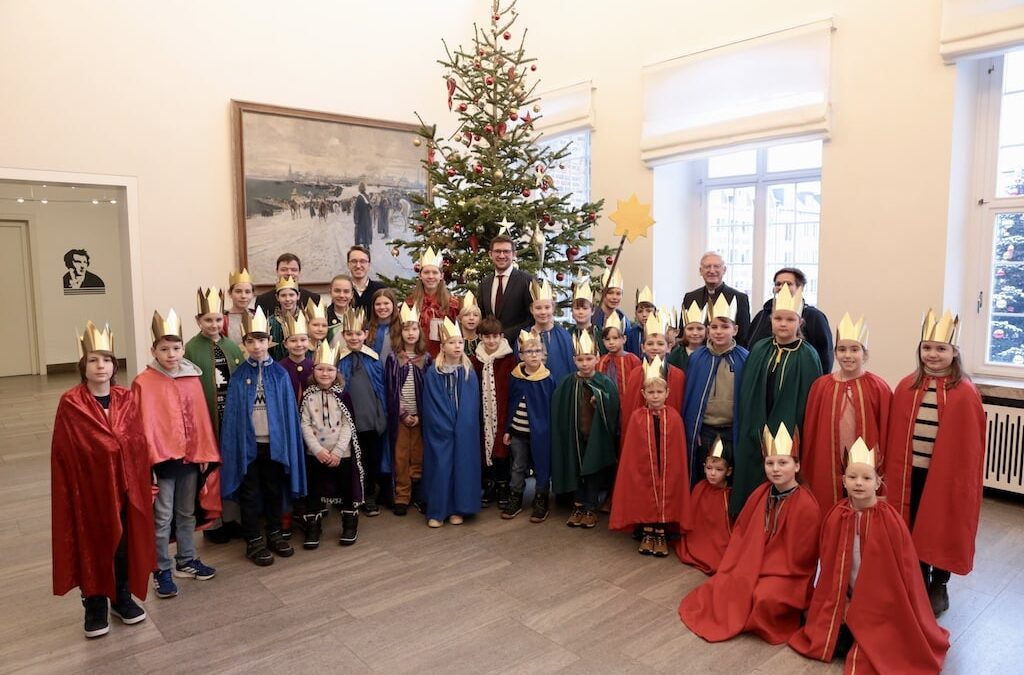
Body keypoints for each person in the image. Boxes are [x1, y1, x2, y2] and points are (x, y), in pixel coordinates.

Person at [788, 438, 950, 673]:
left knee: (879, 647)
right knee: (832, 643)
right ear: (843, 481)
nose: (859, 483)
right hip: (847, 598)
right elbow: (831, 570)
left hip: (883, 605)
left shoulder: (890, 521)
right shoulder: (837, 516)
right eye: (852, 477)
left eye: (866, 478)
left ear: (878, 483)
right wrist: (843, 603)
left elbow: (898, 578)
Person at [52, 323, 153, 638]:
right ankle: (94, 600)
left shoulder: (126, 399)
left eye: (106, 360)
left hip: (126, 487)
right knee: (94, 543)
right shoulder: (71, 403)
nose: (101, 366)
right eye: (94, 360)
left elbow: (138, 442)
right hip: (89, 491)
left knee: (123, 543)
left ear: (114, 366)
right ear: (83, 365)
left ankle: (119, 595)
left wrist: (144, 480)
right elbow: (64, 452)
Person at [882, 309, 985, 616]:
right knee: (912, 524)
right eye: (927, 347)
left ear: (955, 352)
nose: (933, 354)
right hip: (909, 472)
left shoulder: (964, 392)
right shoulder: (906, 387)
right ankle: (917, 576)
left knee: (941, 525)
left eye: (941, 348)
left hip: (946, 476)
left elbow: (970, 445)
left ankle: (939, 582)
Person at [679, 423, 821, 645]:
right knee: (727, 586)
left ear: (796, 465)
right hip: (752, 562)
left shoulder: (806, 505)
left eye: (783, 463)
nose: (775, 469)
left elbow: (801, 560)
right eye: (770, 463)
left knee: (764, 598)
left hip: (786, 573)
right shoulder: (760, 494)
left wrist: (762, 569)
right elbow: (742, 534)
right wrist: (747, 565)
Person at [133, 309, 221, 598]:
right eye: (164, 349)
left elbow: (200, 418)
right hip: (162, 461)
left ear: (183, 348)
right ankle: (161, 569)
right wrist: (149, 462)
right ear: (153, 350)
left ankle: (186, 560)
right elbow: (143, 423)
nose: (171, 354)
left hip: (190, 459)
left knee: (186, 512)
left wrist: (204, 450)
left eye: (176, 347)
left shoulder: (191, 378)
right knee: (162, 517)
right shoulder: (144, 383)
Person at [219, 308, 307, 566]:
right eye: (251, 341)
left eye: (261, 340)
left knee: (273, 489)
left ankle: (275, 532)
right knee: (250, 493)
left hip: (274, 444)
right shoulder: (239, 377)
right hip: (248, 446)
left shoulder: (280, 374)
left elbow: (288, 414)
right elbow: (234, 417)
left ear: (270, 341)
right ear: (244, 344)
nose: (257, 346)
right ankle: (253, 539)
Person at [731, 284, 821, 516]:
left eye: (789, 319)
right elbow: (747, 392)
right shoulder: (760, 349)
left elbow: (809, 401)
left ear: (799, 322)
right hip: (755, 426)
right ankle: (749, 525)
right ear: (770, 320)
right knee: (752, 476)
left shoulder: (808, 355)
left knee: (783, 477)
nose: (783, 324)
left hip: (789, 430)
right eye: (778, 318)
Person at [801, 314, 892, 510]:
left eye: (854, 349)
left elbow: (886, 428)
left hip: (864, 461)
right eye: (842, 349)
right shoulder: (821, 386)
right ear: (835, 353)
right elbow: (811, 429)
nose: (848, 355)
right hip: (828, 457)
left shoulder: (878, 387)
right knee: (828, 500)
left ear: (865, 354)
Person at [609, 356, 689, 557]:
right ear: (643, 393)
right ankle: (647, 531)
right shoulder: (637, 417)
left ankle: (660, 532)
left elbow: (678, 450)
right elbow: (632, 453)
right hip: (645, 466)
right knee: (644, 490)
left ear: (667, 393)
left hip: (666, 465)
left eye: (659, 392)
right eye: (651, 392)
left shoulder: (674, 417)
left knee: (666, 490)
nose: (655, 396)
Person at [551, 330, 620, 529]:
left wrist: (599, 399)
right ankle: (578, 505)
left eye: (589, 358)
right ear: (574, 360)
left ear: (597, 358)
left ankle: (591, 506)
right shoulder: (567, 383)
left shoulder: (605, 382)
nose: (585, 363)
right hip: (575, 435)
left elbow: (613, 405)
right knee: (576, 468)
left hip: (595, 436)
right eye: (580, 359)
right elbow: (559, 408)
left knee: (593, 471)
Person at [299, 341, 364, 548]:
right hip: (315, 453)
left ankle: (349, 524)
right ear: (314, 370)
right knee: (314, 489)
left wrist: (337, 452)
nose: (325, 374)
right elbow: (305, 425)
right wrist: (317, 450)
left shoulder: (342, 395)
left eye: (329, 369)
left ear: (336, 371)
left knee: (346, 488)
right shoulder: (308, 396)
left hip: (341, 453)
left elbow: (348, 425)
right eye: (320, 369)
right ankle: (313, 527)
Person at [681, 295, 748, 488]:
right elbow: (691, 397)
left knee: (730, 474)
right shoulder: (698, 357)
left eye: (725, 327)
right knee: (705, 474)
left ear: (735, 330)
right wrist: (695, 428)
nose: (719, 332)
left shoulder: (744, 358)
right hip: (706, 429)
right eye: (714, 327)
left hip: (732, 428)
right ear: (708, 329)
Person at [421, 317, 482, 527]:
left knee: (462, 465)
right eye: (452, 342)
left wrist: (462, 426)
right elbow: (432, 403)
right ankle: (438, 510)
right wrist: (445, 425)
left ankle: (459, 508)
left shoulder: (468, 371)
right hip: (441, 428)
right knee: (441, 465)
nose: (457, 346)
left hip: (463, 429)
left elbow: (472, 404)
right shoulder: (433, 372)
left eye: (460, 342)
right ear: (442, 346)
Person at [337, 309, 389, 516]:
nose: (354, 337)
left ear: (366, 334)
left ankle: (369, 495)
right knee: (349, 461)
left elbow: (381, 390)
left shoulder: (374, 358)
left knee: (369, 460)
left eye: (358, 333)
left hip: (371, 421)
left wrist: (381, 418)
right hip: (348, 421)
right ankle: (350, 496)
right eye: (349, 333)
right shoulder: (339, 360)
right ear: (343, 335)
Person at [502, 330, 556, 522]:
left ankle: (541, 498)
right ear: (521, 355)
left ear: (543, 354)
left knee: (542, 465)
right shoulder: (516, 376)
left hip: (540, 433)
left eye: (537, 351)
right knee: (517, 465)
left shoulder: (548, 379)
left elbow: (550, 409)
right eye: (529, 351)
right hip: (517, 432)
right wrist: (508, 429)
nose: (533, 355)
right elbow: (511, 403)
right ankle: (515, 496)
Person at [384, 303, 431, 516]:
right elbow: (392, 389)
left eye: (414, 329)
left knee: (419, 455)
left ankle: (420, 494)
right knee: (401, 455)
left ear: (420, 331)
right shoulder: (394, 359)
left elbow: (430, 391)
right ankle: (402, 495)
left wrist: (419, 415)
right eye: (406, 329)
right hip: (401, 418)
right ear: (399, 332)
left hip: (421, 417)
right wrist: (404, 414)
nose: (410, 333)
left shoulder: (427, 359)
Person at [748, 267, 833, 371]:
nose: (781, 287)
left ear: (800, 287)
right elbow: (750, 345)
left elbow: (825, 354)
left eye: (788, 284)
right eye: (778, 284)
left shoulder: (814, 316)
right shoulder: (763, 315)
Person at [620, 311, 686, 442]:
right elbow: (629, 409)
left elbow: (680, 407)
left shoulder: (678, 375)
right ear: (643, 348)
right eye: (650, 344)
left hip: (669, 434)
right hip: (640, 435)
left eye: (660, 344)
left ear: (669, 347)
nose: (655, 348)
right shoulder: (635, 374)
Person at [472, 316, 516, 509]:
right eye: (487, 337)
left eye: (495, 337)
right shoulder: (475, 360)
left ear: (502, 336)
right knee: (485, 446)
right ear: (480, 337)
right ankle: (489, 484)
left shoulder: (509, 359)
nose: (491, 341)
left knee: (502, 448)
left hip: (502, 410)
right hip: (483, 411)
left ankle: (503, 486)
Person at [676, 438, 733, 574]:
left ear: (728, 471)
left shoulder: (729, 494)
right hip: (699, 539)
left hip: (719, 542)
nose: (712, 473)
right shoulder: (700, 488)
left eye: (719, 469)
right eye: (709, 468)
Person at [682, 252, 751, 346]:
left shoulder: (739, 298)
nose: (712, 270)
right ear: (701, 271)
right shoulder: (690, 297)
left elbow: (744, 335)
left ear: (724, 270)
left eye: (716, 266)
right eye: (707, 267)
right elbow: (683, 333)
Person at [514, 279, 575, 385]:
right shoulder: (523, 336)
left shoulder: (564, 336)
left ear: (553, 308)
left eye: (547, 307)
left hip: (558, 390)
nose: (543, 312)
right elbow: (519, 366)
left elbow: (569, 366)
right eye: (538, 308)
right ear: (532, 310)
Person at [478, 235, 535, 344]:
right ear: (490, 254)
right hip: (490, 346)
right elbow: (482, 315)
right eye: (497, 251)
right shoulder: (485, 283)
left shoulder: (527, 281)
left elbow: (531, 318)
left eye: (506, 251)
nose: (502, 255)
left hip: (517, 345)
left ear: (514, 254)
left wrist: (505, 336)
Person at [408, 247, 461, 357]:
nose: (431, 276)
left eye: (434, 273)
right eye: (426, 272)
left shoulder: (453, 304)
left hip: (444, 357)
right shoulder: (410, 303)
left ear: (441, 276)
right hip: (417, 356)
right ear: (420, 276)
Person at [254, 253, 320, 317]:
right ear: (277, 271)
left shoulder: (314, 299)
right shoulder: (262, 301)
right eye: (284, 270)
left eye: (293, 270)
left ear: (299, 272)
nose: (289, 273)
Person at [597, 312, 641, 401]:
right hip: (608, 406)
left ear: (624, 339)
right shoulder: (601, 362)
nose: (611, 342)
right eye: (607, 339)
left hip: (628, 403)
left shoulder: (633, 360)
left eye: (615, 338)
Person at [268, 276, 302, 361]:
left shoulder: (306, 319)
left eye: (291, 295)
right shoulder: (270, 322)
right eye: (283, 295)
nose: (288, 299)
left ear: (298, 296)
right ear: (277, 297)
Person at [667, 301, 707, 371]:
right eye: (690, 329)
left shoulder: (710, 353)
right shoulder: (676, 354)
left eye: (699, 329)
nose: (695, 333)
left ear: (706, 331)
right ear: (684, 331)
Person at [346, 245, 387, 315]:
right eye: (354, 261)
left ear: (369, 264)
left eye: (363, 261)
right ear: (348, 265)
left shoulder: (381, 290)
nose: (358, 266)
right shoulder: (343, 291)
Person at [592, 266, 632, 335]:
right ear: (602, 293)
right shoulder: (593, 316)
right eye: (610, 293)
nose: (614, 297)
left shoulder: (623, 319)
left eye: (618, 294)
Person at [568, 279, 602, 355]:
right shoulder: (568, 334)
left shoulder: (600, 334)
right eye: (577, 308)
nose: (580, 312)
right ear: (572, 312)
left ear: (592, 311)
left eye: (585, 308)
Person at [224, 268, 255, 345]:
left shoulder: (256, 316)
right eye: (238, 291)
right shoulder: (222, 318)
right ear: (230, 293)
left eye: (247, 292)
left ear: (252, 294)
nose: (243, 296)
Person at [366, 288, 398, 361]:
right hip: (373, 371)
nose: (382, 307)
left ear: (393, 304)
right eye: (378, 304)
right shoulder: (367, 328)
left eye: (386, 303)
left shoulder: (402, 328)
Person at [624, 286, 655, 357]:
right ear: (636, 314)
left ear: (655, 313)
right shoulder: (630, 334)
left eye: (648, 311)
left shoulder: (660, 334)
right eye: (640, 311)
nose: (644, 315)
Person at [325, 274, 356, 346]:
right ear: (330, 292)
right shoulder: (323, 317)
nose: (341, 295)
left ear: (351, 294)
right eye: (337, 291)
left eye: (346, 291)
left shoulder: (359, 317)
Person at [458, 290, 483, 356]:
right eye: (466, 315)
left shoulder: (484, 342)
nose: (471, 318)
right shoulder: (455, 343)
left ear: (480, 320)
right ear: (460, 319)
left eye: (475, 315)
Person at [353, 182, 373, 247]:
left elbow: (356, 210)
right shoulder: (367, 196)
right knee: (366, 231)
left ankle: (362, 246)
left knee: (360, 232)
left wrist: (356, 219)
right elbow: (370, 207)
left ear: (359, 189)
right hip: (367, 218)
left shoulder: (359, 197)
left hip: (361, 218)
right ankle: (367, 245)